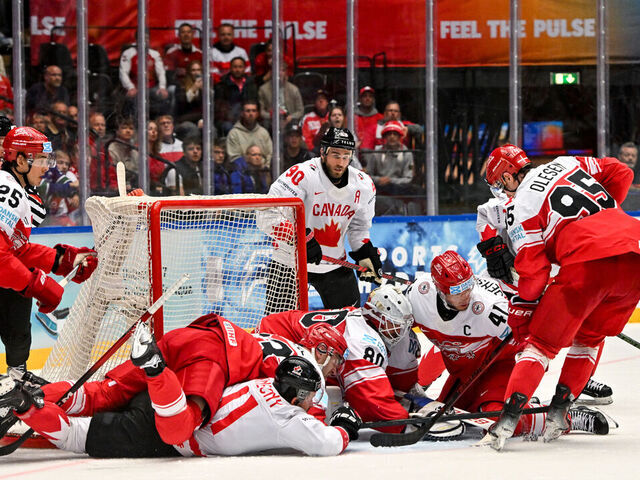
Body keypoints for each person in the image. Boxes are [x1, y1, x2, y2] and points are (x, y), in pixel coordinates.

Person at [0, 317, 357, 457]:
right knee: (180, 425)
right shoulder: (311, 371)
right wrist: (333, 420)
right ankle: (156, 371)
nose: (338, 366)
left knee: (106, 393)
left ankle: (28, 390)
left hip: (197, 333)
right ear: (322, 351)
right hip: (215, 360)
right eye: (337, 358)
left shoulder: (282, 337)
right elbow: (295, 404)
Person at [481, 144, 640, 450]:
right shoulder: (567, 162)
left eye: (501, 184)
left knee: (541, 343)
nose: (503, 192)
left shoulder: (521, 206)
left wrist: (522, 308)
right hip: (633, 246)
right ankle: (559, 412)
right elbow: (622, 172)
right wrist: (606, 218)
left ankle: (508, 419)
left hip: (587, 262)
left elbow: (535, 274)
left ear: (510, 177)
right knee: (590, 339)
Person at [407, 250, 609, 442]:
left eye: (469, 285)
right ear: (440, 289)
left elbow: (538, 341)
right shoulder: (418, 294)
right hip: (466, 373)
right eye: (458, 290)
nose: (466, 294)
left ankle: (567, 418)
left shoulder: (490, 310)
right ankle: (529, 406)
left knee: (494, 420)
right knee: (450, 416)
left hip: (499, 365)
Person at [0, 127, 97, 390]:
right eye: (40, 160)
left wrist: (63, 260)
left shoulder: (16, 192)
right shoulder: (6, 191)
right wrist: (36, 285)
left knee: (17, 320)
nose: (46, 168)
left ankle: (15, 379)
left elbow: (17, 249)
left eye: (47, 160)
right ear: (19, 160)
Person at [256, 284, 419, 432]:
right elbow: (371, 403)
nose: (400, 332)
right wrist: (405, 423)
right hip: (275, 340)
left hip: (280, 332)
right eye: (394, 325)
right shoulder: (361, 341)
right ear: (376, 316)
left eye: (402, 326)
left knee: (332, 388)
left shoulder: (360, 321)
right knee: (306, 400)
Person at [267, 127, 380, 308]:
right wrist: (298, 238)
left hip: (334, 265)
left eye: (346, 156)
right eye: (335, 155)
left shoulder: (363, 185)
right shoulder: (301, 175)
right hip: (289, 265)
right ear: (323, 152)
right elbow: (268, 213)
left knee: (350, 325)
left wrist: (363, 252)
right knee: (277, 329)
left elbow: (359, 227)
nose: (341, 162)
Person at [119, 32, 170, 117]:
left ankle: (160, 121)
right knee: (133, 99)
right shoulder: (128, 53)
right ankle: (134, 124)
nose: (144, 40)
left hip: (151, 87)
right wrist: (130, 87)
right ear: (136, 40)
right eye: (141, 38)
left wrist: (162, 87)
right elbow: (123, 72)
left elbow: (161, 72)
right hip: (135, 88)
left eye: (146, 38)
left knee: (164, 96)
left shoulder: (154, 54)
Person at [214, 57, 259, 136]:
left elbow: (255, 103)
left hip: (247, 118)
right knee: (229, 128)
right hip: (228, 119)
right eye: (235, 67)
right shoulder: (222, 85)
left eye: (240, 67)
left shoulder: (252, 85)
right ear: (230, 68)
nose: (237, 70)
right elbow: (220, 108)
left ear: (244, 69)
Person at [257, 61, 304, 130]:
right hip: (270, 124)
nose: (280, 73)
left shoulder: (294, 89)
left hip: (290, 123)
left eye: (282, 70)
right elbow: (261, 112)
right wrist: (271, 116)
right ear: (271, 72)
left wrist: (290, 117)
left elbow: (300, 111)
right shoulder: (263, 89)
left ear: (286, 72)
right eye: (276, 70)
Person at [226, 100, 273, 166]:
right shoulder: (234, 133)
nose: (251, 114)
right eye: (248, 111)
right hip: (242, 173)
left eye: (254, 111)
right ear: (242, 113)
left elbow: (270, 155)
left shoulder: (263, 133)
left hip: (263, 172)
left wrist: (264, 168)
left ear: (257, 114)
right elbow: (234, 158)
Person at [174, 60, 203, 137]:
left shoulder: (205, 84)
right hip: (184, 119)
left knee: (210, 129)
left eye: (198, 70)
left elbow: (207, 106)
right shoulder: (181, 85)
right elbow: (181, 104)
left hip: (200, 118)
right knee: (192, 129)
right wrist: (194, 88)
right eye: (193, 70)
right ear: (189, 72)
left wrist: (202, 120)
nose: (196, 72)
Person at [107, 117, 138, 189]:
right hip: (116, 188)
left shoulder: (135, 151)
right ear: (117, 131)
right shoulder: (112, 149)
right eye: (124, 128)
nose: (128, 131)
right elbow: (114, 173)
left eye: (131, 128)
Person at [355, 86, 383, 151]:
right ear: (360, 99)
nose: (367, 98)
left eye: (370, 96)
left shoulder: (380, 118)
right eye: (365, 96)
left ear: (373, 99)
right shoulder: (352, 118)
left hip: (375, 154)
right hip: (356, 153)